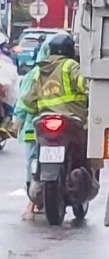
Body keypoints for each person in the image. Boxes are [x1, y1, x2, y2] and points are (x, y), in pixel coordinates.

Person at [15, 32, 88, 218]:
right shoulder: (71, 66)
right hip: (72, 119)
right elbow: (85, 85)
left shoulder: (40, 70)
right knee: (87, 152)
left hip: (44, 120)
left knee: (34, 158)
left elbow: (28, 100)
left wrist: (20, 118)